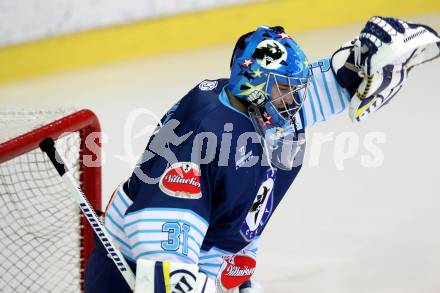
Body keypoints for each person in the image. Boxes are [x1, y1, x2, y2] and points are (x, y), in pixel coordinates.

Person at [84, 17, 440, 293]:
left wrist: (362, 60)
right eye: (285, 90)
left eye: (294, 90)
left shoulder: (261, 109)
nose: (296, 101)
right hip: (127, 278)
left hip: (202, 264)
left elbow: (326, 84)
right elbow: (161, 267)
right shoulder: (199, 141)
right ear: (253, 83)